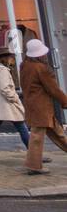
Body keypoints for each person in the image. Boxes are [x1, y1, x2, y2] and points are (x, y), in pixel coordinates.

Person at [21, 39, 67, 175]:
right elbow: (54, 89)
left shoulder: (24, 66)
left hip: (33, 106)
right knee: (37, 136)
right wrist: (65, 101)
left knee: (57, 133)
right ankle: (34, 166)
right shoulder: (40, 68)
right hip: (42, 107)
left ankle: (33, 165)